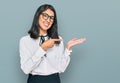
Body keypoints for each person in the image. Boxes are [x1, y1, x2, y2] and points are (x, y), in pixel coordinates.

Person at [19, 4, 86, 83]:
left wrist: (68, 48)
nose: (48, 20)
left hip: (54, 80)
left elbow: (61, 68)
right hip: (35, 80)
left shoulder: (58, 40)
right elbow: (26, 69)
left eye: (51, 18)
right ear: (38, 16)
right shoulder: (25, 41)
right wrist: (42, 48)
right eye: (45, 16)